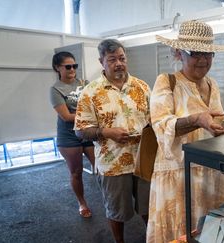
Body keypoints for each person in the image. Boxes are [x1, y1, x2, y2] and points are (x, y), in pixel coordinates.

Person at [147, 20, 224, 242]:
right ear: (179, 53)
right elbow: (161, 123)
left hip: (210, 171)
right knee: (181, 229)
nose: (203, 60)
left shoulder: (212, 84)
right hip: (179, 171)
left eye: (208, 54)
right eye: (196, 53)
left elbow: (214, 119)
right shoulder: (167, 82)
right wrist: (196, 119)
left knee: (209, 228)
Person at [74, 39, 151, 243]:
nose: (119, 63)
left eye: (122, 58)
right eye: (112, 59)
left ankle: (152, 238)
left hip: (143, 160)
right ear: (102, 62)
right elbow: (80, 131)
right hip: (112, 164)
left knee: (148, 207)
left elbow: (154, 119)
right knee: (116, 211)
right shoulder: (91, 92)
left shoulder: (141, 87)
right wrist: (106, 132)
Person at [50, 51, 95, 218]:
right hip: (68, 136)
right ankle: (82, 203)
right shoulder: (55, 89)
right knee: (76, 172)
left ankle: (109, 199)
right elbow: (66, 116)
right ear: (57, 68)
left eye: (74, 66)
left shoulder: (85, 83)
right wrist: (89, 116)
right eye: (68, 66)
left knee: (101, 167)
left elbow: (95, 104)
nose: (72, 69)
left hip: (89, 132)